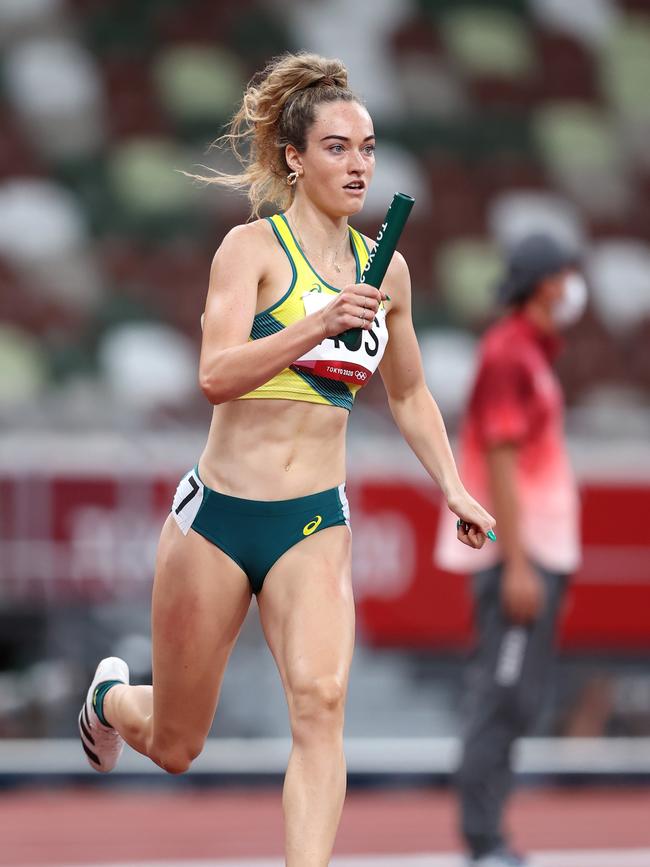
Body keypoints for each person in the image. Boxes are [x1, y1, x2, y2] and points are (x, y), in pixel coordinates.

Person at [78, 52, 495, 866]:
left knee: (322, 701)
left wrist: (454, 487)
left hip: (313, 520)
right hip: (221, 518)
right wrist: (314, 324)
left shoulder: (389, 271)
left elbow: (409, 395)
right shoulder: (250, 251)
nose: (359, 164)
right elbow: (214, 376)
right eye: (337, 147)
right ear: (295, 158)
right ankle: (109, 697)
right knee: (175, 743)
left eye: (368, 147)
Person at [435, 233, 586, 867]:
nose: (575, 285)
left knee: (518, 698)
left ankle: (490, 835)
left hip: (539, 554)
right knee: (501, 698)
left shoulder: (530, 352)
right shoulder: (508, 354)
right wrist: (516, 561)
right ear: (547, 282)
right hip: (517, 560)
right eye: (566, 274)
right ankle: (483, 840)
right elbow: (498, 459)